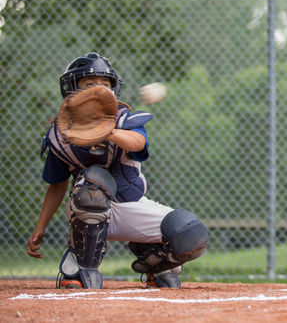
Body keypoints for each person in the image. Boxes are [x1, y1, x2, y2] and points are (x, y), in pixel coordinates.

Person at [27, 52, 209, 289]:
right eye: (90, 84)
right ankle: (80, 266)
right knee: (95, 182)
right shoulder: (61, 136)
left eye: (105, 84)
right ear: (72, 89)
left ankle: (154, 261)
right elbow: (57, 184)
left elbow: (138, 143)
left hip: (130, 206)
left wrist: (107, 131)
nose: (100, 89)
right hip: (87, 209)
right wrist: (40, 227)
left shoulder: (124, 120)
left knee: (189, 232)